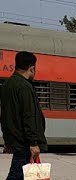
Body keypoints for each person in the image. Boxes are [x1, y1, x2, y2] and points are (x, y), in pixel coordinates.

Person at [0, 51, 47, 179]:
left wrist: (7, 139)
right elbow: (28, 116)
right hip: (24, 141)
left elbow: (4, 115)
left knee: (20, 174)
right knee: (17, 174)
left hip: (15, 139)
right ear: (31, 68)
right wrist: (33, 143)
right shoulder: (25, 87)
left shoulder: (6, 85)